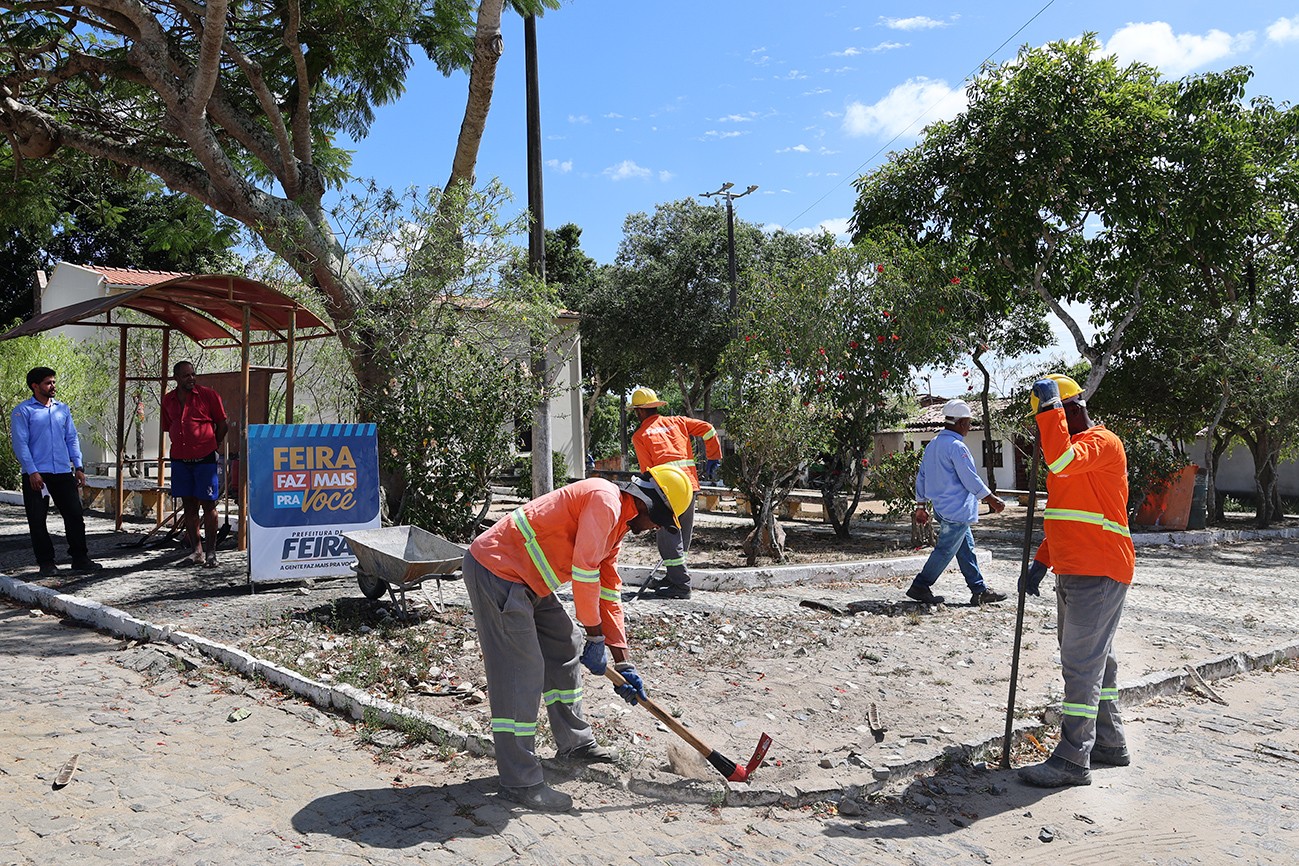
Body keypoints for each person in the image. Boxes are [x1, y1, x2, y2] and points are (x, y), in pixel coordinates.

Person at [463, 464, 693, 811]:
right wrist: (595, 637)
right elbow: (585, 574)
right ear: (649, 504)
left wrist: (622, 659)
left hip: (528, 582)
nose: (656, 528)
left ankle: (575, 744)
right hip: (497, 572)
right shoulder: (605, 501)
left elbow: (609, 591)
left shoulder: (615, 525)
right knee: (521, 672)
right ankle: (519, 781)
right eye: (660, 520)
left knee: (563, 643)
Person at [1017, 374, 1135, 788]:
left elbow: (1061, 459)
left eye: (1053, 416)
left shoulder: (1101, 444)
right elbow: (1067, 518)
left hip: (1099, 569)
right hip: (1076, 568)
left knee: (1081, 665)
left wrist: (1048, 411)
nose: (1047, 429)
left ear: (1071, 411)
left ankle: (1072, 759)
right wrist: (1042, 562)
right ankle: (1108, 741)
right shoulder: (1068, 453)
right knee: (1096, 658)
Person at [906, 398, 1008, 606]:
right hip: (957, 509)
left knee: (966, 548)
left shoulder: (933, 444)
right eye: (969, 423)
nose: (970, 427)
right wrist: (991, 499)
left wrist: (920, 505)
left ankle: (979, 590)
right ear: (961, 423)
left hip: (943, 507)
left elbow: (922, 476)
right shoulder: (956, 447)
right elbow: (970, 478)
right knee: (944, 550)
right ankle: (920, 585)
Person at [629, 386, 722, 600]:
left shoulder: (640, 435)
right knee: (683, 534)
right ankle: (673, 577)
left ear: (640, 411)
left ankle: (681, 585)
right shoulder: (678, 421)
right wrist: (713, 456)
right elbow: (708, 428)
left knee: (668, 537)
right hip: (689, 485)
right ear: (654, 407)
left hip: (666, 492)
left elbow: (647, 474)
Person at [10, 366, 100, 576]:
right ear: (35, 386)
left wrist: (78, 466)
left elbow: (71, 438)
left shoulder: (62, 409)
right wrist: (32, 471)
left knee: (75, 515)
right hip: (37, 475)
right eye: (48, 383)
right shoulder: (23, 411)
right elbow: (21, 444)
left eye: (53, 382)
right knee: (38, 520)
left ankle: (80, 558)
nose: (53, 386)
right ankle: (46, 563)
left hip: (61, 471)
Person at [161, 360, 228, 567]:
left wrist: (212, 444)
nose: (191, 378)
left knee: (209, 505)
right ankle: (196, 551)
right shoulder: (168, 400)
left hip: (205, 459)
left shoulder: (208, 395)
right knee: (189, 507)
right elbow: (168, 426)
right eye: (186, 375)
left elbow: (223, 424)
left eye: (192, 374)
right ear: (176, 378)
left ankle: (211, 553)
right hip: (181, 460)